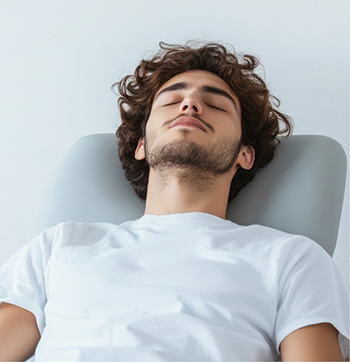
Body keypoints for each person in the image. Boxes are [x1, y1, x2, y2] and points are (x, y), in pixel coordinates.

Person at [0, 42, 348, 361]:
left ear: (245, 153)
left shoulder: (291, 259)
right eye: (170, 100)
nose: (191, 104)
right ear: (141, 145)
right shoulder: (59, 246)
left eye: (214, 104)